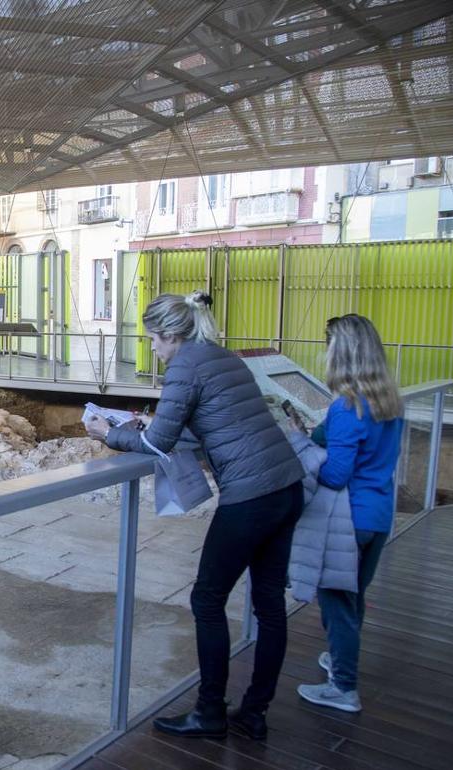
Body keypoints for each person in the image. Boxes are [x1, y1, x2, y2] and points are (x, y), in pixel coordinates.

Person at [88, 290, 304, 741]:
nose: (152, 348)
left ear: (170, 334)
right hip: (286, 485)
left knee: (206, 599)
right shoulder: (220, 354)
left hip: (250, 495)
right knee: (269, 605)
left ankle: (209, 713)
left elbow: (158, 444)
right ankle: (254, 712)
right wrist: (149, 424)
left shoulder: (184, 364)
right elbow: (209, 419)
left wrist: (109, 434)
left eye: (152, 339)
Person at [297, 314, 403, 713]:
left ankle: (344, 686)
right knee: (354, 596)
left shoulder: (347, 407)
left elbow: (338, 474)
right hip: (377, 516)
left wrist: (308, 454)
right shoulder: (389, 402)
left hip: (348, 521)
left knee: (337, 603)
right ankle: (341, 659)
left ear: (340, 354)